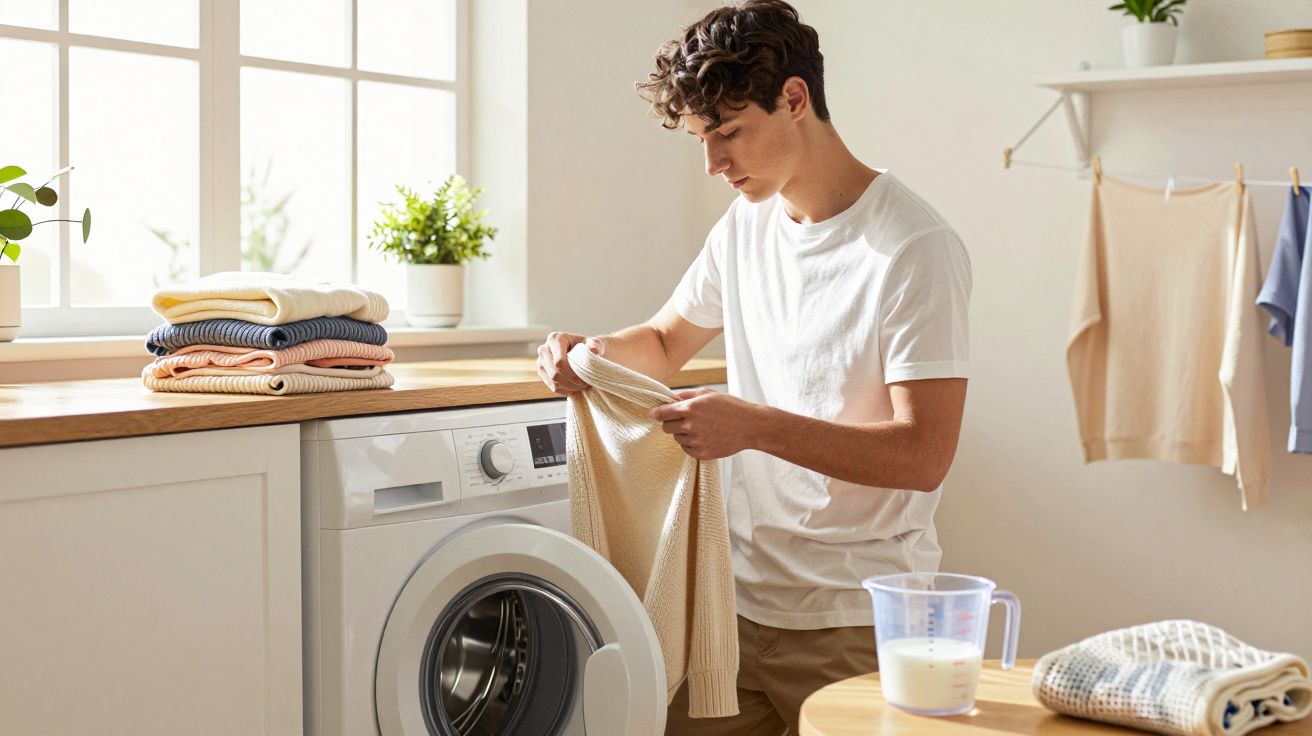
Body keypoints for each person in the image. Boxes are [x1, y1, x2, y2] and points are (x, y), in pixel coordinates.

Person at [536, 1, 972, 733]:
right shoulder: (746, 225)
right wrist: (589, 353)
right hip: (728, 604)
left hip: (850, 619)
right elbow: (667, 340)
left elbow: (924, 454)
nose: (713, 162)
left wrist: (754, 427)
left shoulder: (913, 247)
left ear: (794, 99)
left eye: (728, 133)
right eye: (702, 140)